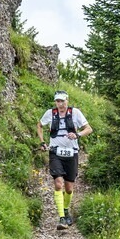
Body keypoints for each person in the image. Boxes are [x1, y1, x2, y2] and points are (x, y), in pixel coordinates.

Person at [37, 90, 93, 229]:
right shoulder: (50, 113)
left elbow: (89, 129)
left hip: (71, 153)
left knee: (68, 188)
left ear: (67, 100)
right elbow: (39, 125)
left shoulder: (76, 113)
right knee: (58, 183)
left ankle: (66, 209)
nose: (60, 104)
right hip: (55, 153)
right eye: (58, 101)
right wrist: (42, 142)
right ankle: (62, 218)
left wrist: (77, 135)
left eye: (62, 101)